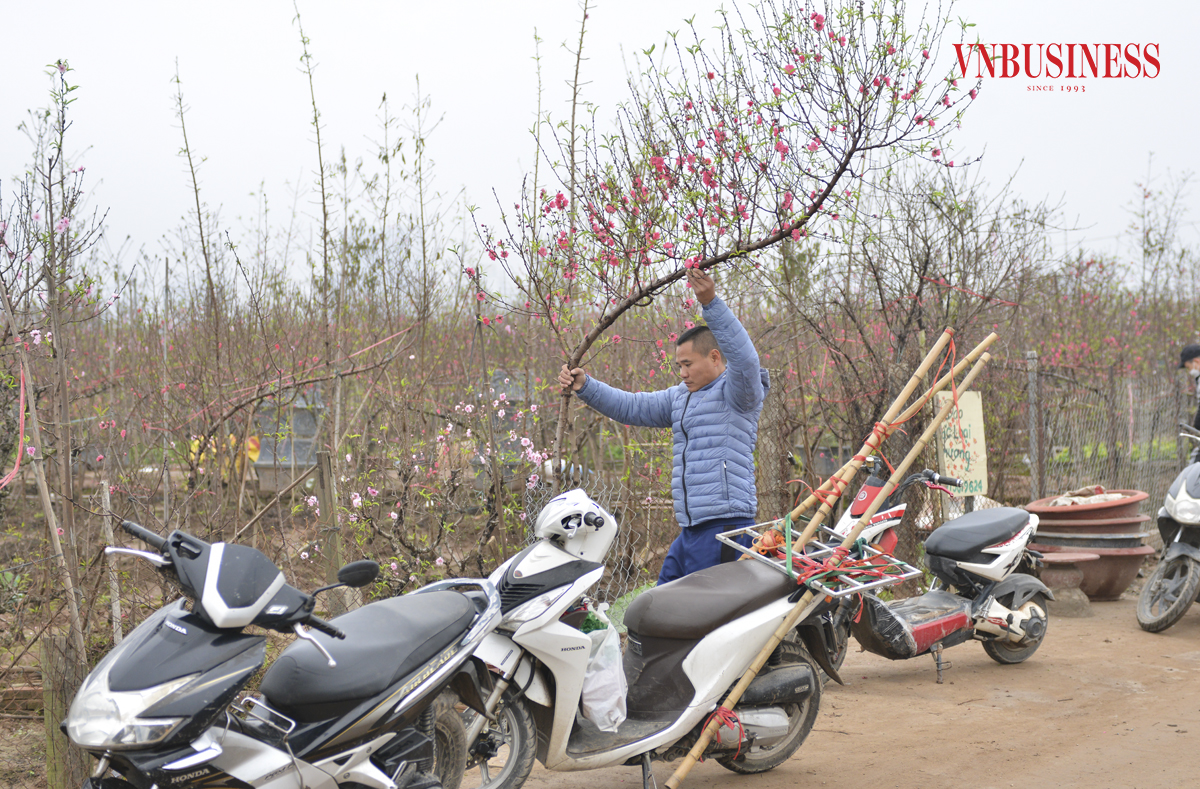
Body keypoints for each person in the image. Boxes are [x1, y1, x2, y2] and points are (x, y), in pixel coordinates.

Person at [558, 267, 768, 584]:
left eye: (688, 364)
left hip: (726, 528)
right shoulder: (679, 398)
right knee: (662, 606)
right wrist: (585, 386)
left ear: (714, 357)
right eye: (678, 365)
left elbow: (747, 360)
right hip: (691, 529)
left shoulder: (738, 394)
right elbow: (630, 406)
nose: (682, 372)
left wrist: (711, 302)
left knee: (704, 618)